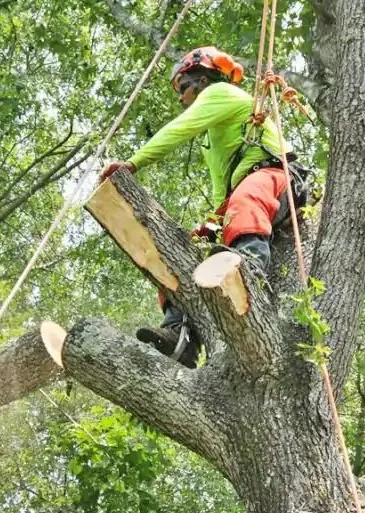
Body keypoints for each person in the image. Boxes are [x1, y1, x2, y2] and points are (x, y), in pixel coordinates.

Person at [100, 46, 294, 368]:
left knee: (245, 202)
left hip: (275, 176)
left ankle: (251, 280)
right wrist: (214, 224)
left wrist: (133, 163)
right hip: (242, 191)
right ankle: (180, 333)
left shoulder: (221, 93)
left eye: (183, 87)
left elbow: (179, 129)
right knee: (190, 245)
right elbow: (222, 188)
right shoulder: (213, 136)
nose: (181, 97)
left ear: (202, 80)